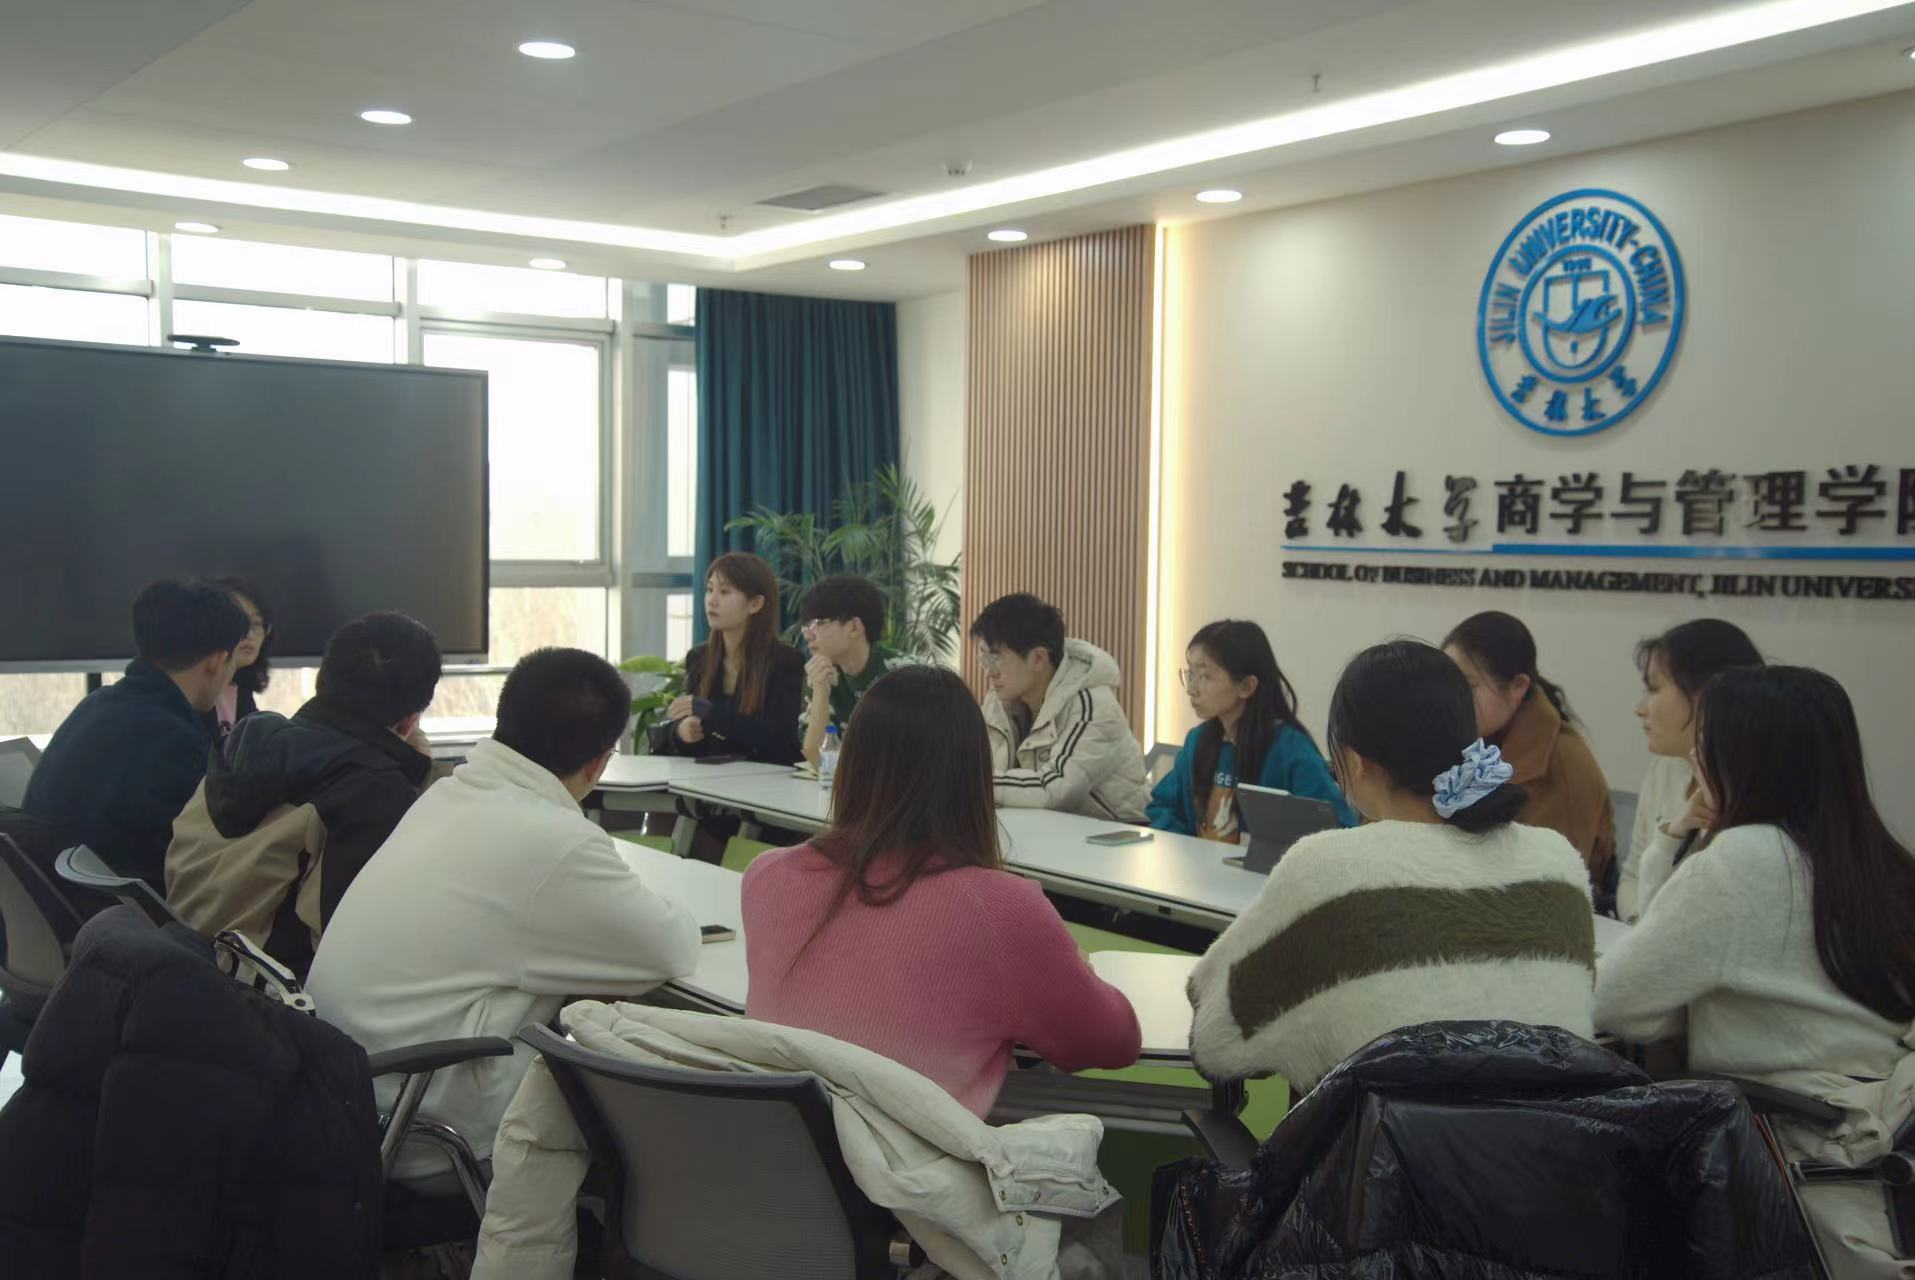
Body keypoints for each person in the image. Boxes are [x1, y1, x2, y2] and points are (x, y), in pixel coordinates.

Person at [307, 647, 700, 1182]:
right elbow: (670, 948)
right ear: (600, 762)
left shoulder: (446, 796)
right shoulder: (555, 840)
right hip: (430, 1127)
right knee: (643, 1114)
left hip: (348, 1104)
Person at [1595, 667, 1915, 1276]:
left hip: (1785, 1147)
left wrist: (1682, 842)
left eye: (1706, 740)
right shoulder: (1879, 856)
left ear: (1744, 757)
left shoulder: (1740, 863)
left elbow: (1617, 1001)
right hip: (1876, 1134)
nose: (1696, 755)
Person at [1187, 640, 1596, 1091]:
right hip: (1553, 1136)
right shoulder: (1559, 863)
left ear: (1356, 761)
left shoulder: (1329, 868)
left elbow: (1216, 1038)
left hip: (1384, 1138)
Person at [742, 665, 1142, 1116]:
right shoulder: (1002, 909)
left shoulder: (766, 877)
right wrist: (1072, 969)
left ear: (851, 764)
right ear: (972, 776)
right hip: (909, 1160)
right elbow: (1113, 1042)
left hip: (780, 1156)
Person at [165, 612, 443, 976]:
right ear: (409, 721)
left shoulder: (248, 740)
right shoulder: (370, 788)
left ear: (321, 682)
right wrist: (412, 775)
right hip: (267, 990)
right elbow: (357, 943)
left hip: (186, 957)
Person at [24, 580, 249, 891]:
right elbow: (203, 859)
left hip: (59, 901)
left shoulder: (97, 706)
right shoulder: (173, 740)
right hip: (117, 911)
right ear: (217, 661)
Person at [1442, 611, 1615, 887]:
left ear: (1518, 687)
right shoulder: (1474, 738)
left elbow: (1551, 889)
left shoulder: (1563, 766)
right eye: (1447, 682)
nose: (1452, 698)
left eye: (1468, 685)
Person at [1148, 620, 1357, 838]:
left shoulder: (1290, 749)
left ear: (1246, 686)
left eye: (1204, 676)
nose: (1191, 689)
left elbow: (1338, 828)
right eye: (1190, 674)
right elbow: (1162, 807)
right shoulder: (1198, 741)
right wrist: (1189, 848)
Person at [1618, 618, 1762, 922]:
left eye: (1653, 688)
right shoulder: (1665, 768)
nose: (1640, 709)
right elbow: (1631, 875)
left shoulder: (1761, 792)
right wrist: (1638, 926)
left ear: (1709, 693)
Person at [972, 593, 1150, 824]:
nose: (989, 672)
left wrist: (972, 782)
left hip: (1117, 833)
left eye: (995, 659)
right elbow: (979, 762)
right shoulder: (999, 700)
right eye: (983, 660)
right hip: (1046, 828)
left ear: (1038, 658)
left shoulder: (1093, 707)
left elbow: (1053, 789)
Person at [650, 552, 804, 765]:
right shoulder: (699, 658)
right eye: (710, 590)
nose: (712, 600)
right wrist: (683, 733)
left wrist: (711, 713)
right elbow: (699, 748)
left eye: (724, 592)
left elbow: (779, 739)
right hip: (711, 780)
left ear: (755, 604)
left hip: (768, 780)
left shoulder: (786, 661)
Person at [796, 574, 899, 768]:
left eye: (817, 623)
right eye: (806, 627)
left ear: (854, 627)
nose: (808, 635)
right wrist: (821, 691)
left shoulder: (903, 673)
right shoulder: (820, 673)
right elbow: (817, 760)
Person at [203, 576, 272, 739]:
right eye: (240, 622)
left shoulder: (243, 693)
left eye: (256, 623)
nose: (250, 634)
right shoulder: (194, 692)